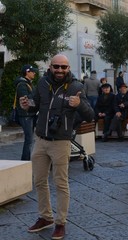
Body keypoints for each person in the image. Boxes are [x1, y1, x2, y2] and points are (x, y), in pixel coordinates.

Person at [19, 54, 94, 239]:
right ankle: (45, 217)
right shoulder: (43, 84)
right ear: (50, 67)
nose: (60, 70)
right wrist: (27, 105)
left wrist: (78, 105)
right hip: (41, 140)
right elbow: (35, 104)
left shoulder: (76, 87)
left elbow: (90, 114)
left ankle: (61, 222)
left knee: (61, 183)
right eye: (56, 66)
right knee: (39, 181)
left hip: (61, 142)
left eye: (63, 67)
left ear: (68, 68)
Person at [15, 64, 38, 160]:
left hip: (30, 114)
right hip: (25, 115)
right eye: (32, 72)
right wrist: (36, 93)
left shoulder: (28, 83)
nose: (34, 73)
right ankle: (25, 161)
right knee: (29, 139)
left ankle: (27, 160)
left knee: (30, 139)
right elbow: (26, 100)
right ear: (27, 72)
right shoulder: (22, 84)